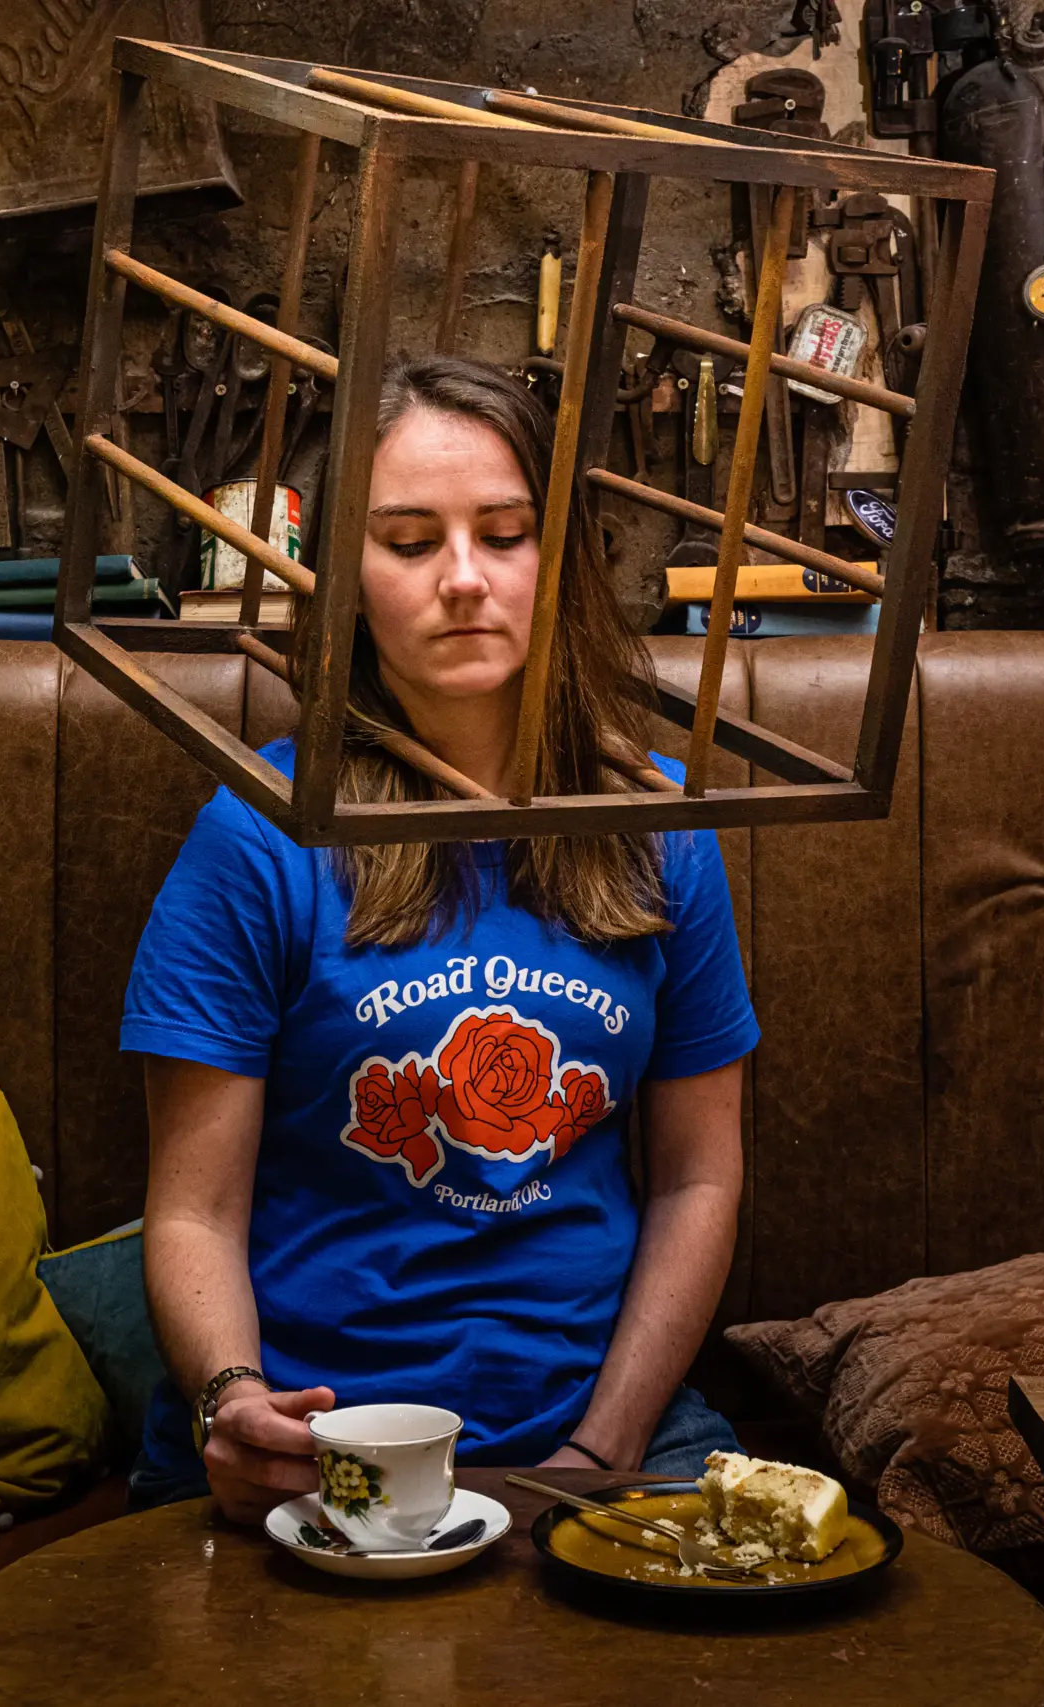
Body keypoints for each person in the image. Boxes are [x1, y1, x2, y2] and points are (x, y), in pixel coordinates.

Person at [122, 355, 758, 1522]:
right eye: (410, 544)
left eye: (505, 534)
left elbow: (697, 1179)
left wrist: (595, 1456)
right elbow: (192, 1210)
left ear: (555, 558)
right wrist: (232, 1397)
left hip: (607, 1422)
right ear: (346, 579)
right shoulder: (257, 838)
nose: (464, 579)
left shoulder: (661, 832)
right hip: (315, 1437)